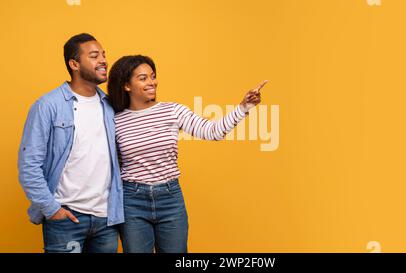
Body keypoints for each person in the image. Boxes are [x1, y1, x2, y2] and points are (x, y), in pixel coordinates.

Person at [108, 55, 267, 253]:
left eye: (153, 76)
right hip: (132, 200)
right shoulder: (115, 120)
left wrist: (244, 107)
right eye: (143, 78)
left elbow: (213, 132)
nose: (152, 82)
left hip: (170, 198)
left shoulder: (173, 111)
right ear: (126, 86)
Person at [18, 33, 124, 253]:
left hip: (107, 219)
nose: (103, 60)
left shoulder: (111, 105)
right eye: (94, 56)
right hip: (66, 218)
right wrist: (52, 209)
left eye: (104, 54)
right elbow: (29, 165)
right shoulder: (48, 105)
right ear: (74, 64)